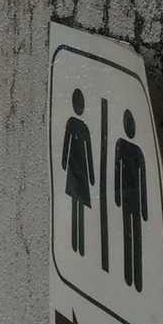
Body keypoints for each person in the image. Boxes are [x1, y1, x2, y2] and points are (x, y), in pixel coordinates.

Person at [114, 109, 148, 290]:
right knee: (130, 234)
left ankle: (136, 277)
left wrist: (145, 208)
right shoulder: (123, 146)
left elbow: (143, 181)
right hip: (129, 199)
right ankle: (130, 275)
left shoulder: (135, 150)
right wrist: (117, 196)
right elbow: (117, 172)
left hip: (132, 199)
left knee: (134, 235)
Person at [60, 88, 95, 256]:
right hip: (75, 168)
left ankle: (80, 245)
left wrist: (92, 176)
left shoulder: (83, 127)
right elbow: (66, 145)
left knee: (79, 203)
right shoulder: (72, 124)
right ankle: (75, 242)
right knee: (75, 201)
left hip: (80, 170)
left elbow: (89, 153)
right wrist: (64, 163)